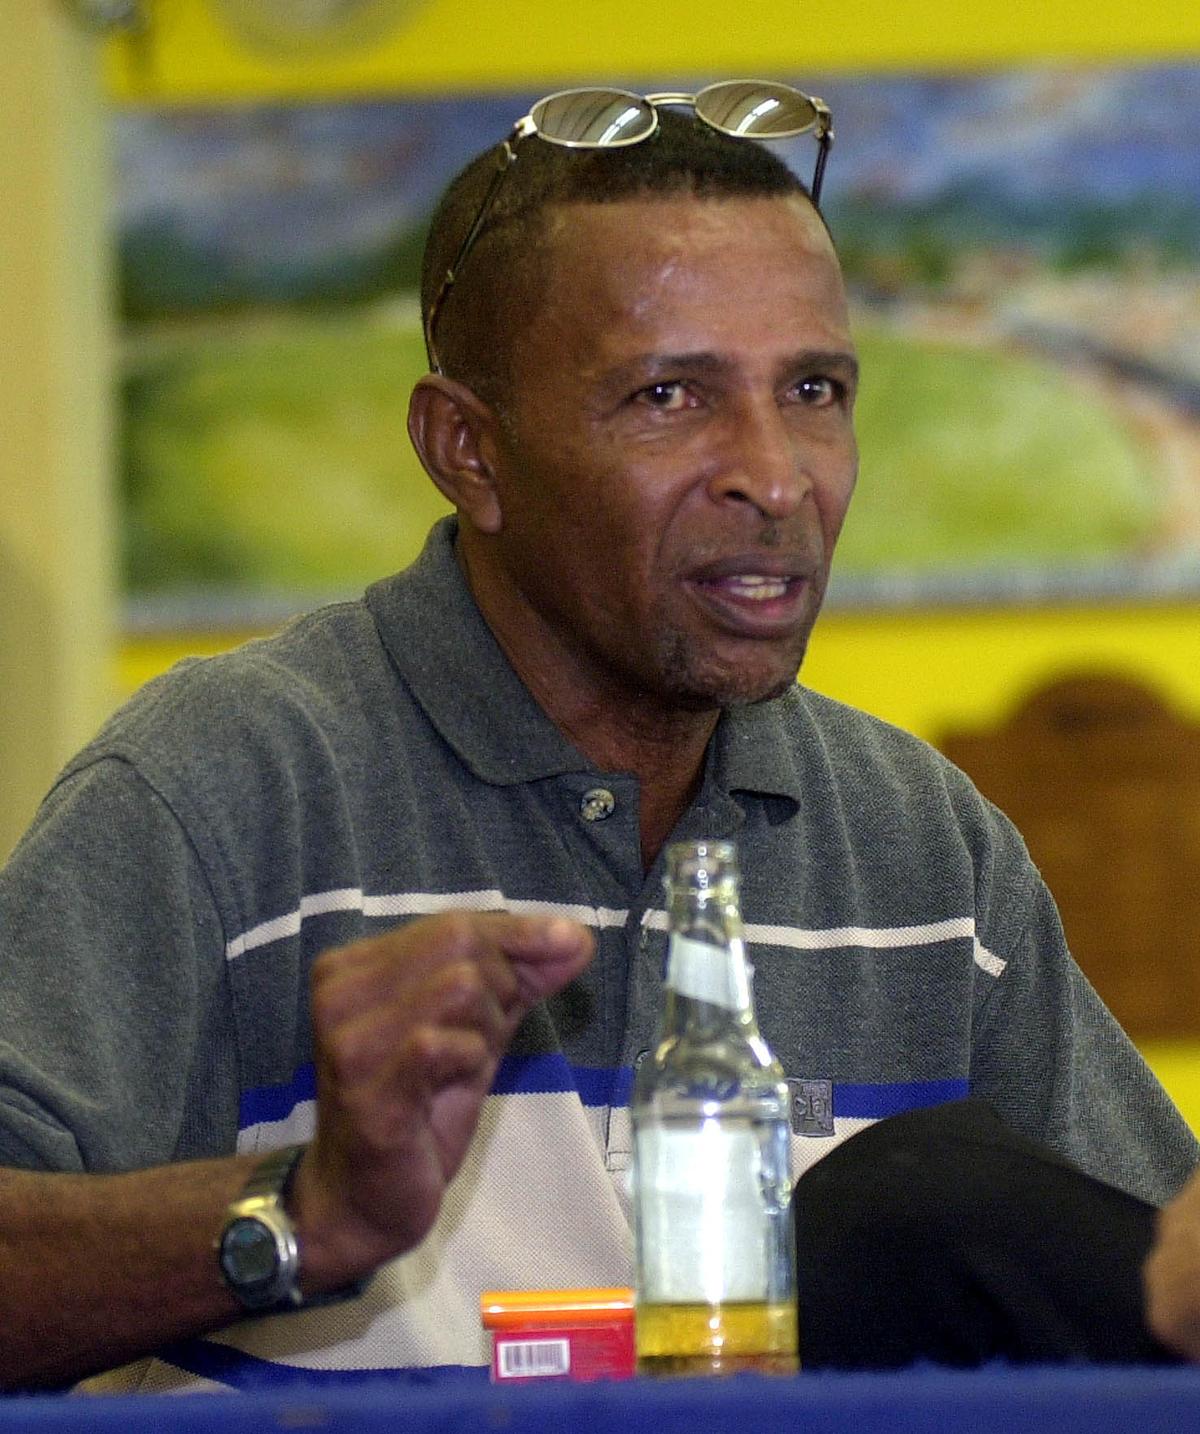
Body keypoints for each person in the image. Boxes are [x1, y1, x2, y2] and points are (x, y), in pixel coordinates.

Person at [0, 85, 1195, 1393]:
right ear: (470, 451)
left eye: (812, 387)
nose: (777, 474)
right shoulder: (210, 791)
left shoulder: (929, 847)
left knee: (910, 1203)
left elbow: (1147, 1292)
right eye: (669, 395)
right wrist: (300, 1212)